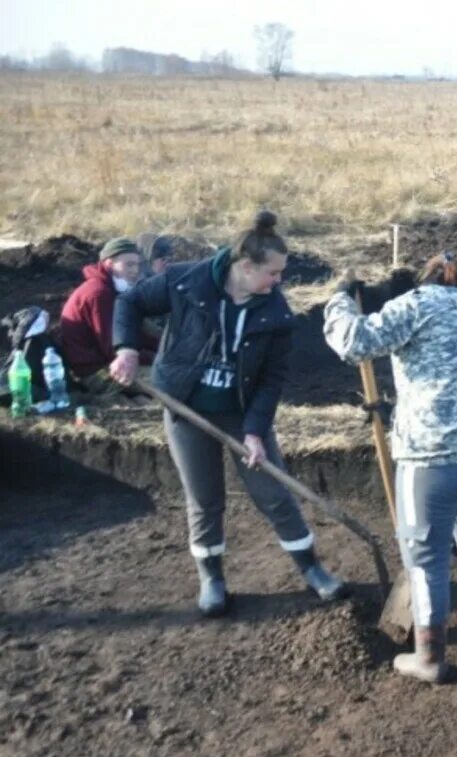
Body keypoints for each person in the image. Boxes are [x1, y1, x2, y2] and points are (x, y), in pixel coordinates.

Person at [110, 211, 348, 617]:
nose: (278, 281)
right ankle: (212, 578)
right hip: (185, 408)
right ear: (246, 265)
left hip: (240, 414)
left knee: (274, 495)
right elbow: (129, 302)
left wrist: (255, 432)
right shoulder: (186, 280)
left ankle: (312, 569)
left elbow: (272, 380)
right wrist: (127, 349)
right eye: (273, 273)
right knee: (204, 499)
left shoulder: (275, 313)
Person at [322, 252, 457, 684]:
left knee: (423, 560)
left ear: (423, 281)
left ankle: (429, 658)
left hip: (430, 461)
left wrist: (339, 300)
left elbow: (353, 342)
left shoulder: (416, 305)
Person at [59, 237, 155, 383]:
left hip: (107, 362)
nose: (135, 271)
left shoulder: (110, 289)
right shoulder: (99, 294)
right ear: (109, 265)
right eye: (129, 265)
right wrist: (158, 358)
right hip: (95, 372)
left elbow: (135, 332)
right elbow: (113, 348)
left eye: (137, 265)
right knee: (168, 378)